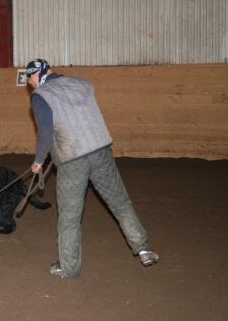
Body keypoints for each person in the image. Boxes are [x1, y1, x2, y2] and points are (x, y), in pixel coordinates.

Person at [25, 58, 158, 278]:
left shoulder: (41, 96)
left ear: (35, 75)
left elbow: (45, 130)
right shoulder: (82, 83)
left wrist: (39, 160)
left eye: (30, 80)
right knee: (120, 202)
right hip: (100, 150)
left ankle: (68, 267)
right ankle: (143, 248)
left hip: (72, 158)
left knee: (69, 216)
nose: (30, 84)